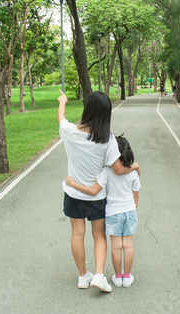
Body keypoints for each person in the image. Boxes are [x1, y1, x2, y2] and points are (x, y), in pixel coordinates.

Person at [57, 90, 139, 293]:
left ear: (87, 109)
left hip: (73, 194)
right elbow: (119, 170)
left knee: (77, 234)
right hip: (97, 196)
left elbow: (61, 117)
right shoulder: (108, 139)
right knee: (99, 236)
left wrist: (63, 101)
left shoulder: (69, 131)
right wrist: (135, 167)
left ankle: (83, 276)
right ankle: (100, 275)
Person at [66, 134, 140, 288]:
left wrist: (73, 184)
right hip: (130, 211)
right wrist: (133, 210)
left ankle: (117, 275)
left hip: (113, 212)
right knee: (128, 246)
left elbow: (94, 191)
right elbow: (136, 193)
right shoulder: (133, 172)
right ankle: (126, 277)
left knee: (115, 246)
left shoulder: (106, 172)